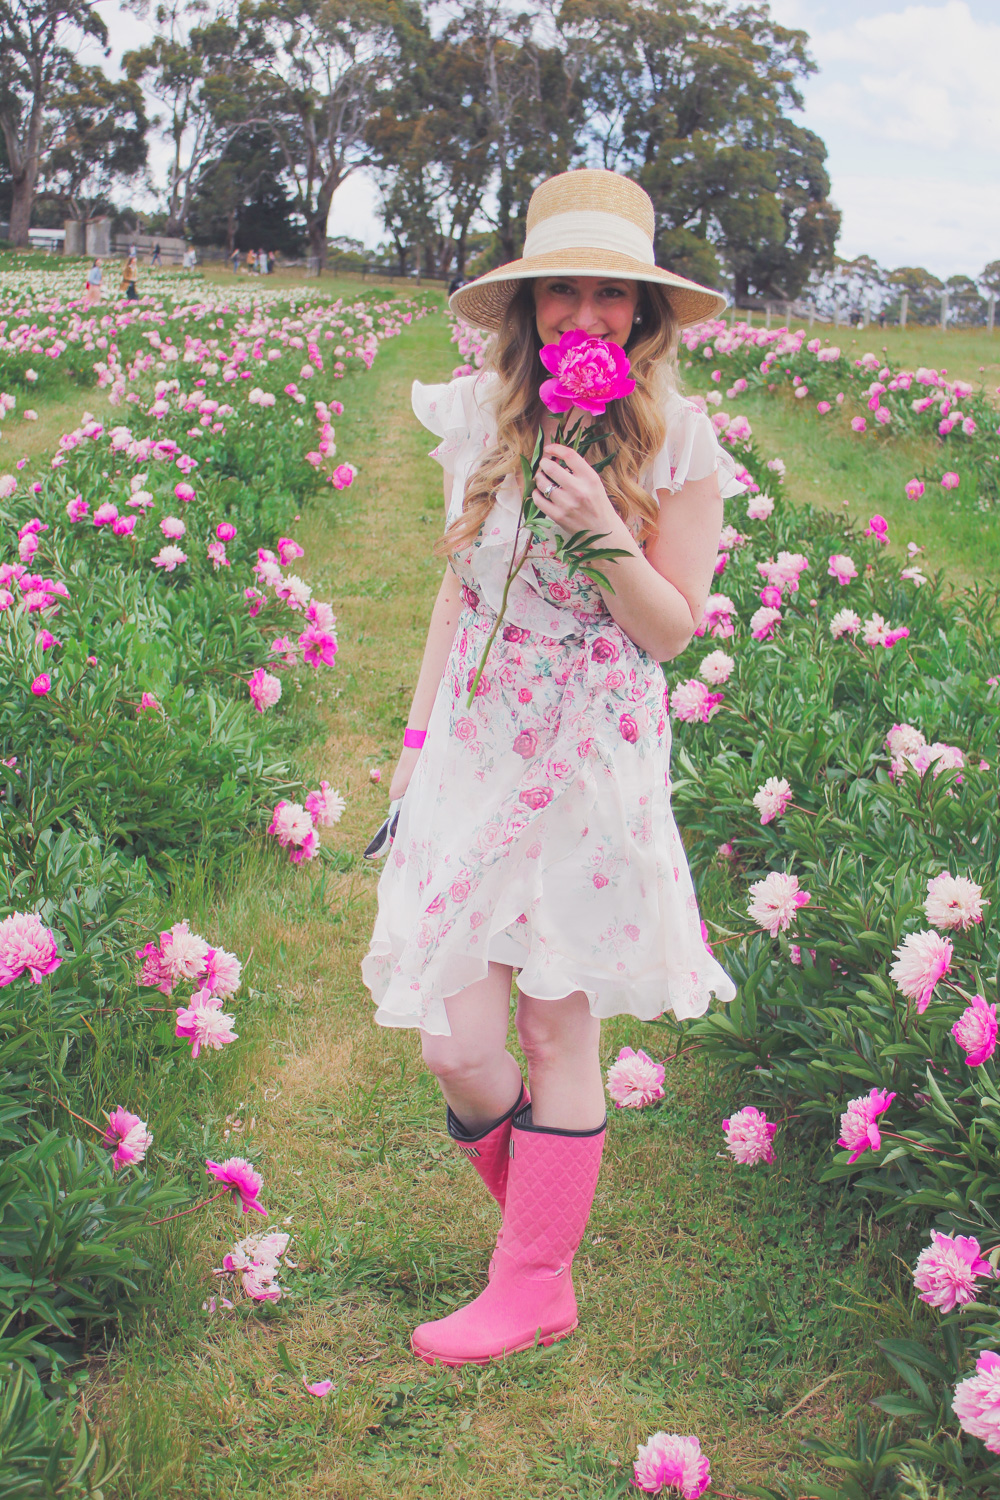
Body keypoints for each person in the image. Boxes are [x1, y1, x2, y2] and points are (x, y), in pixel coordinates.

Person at [362, 168, 740, 1368]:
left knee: (551, 1031)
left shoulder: (683, 442)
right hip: (477, 743)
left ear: (643, 314)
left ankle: (530, 1278)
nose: (586, 316)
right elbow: (454, 592)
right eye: (560, 293)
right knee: (453, 1041)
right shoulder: (476, 419)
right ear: (527, 310)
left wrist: (600, 531)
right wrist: (414, 747)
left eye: (609, 295)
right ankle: (543, 1234)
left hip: (590, 752)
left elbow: (673, 629)